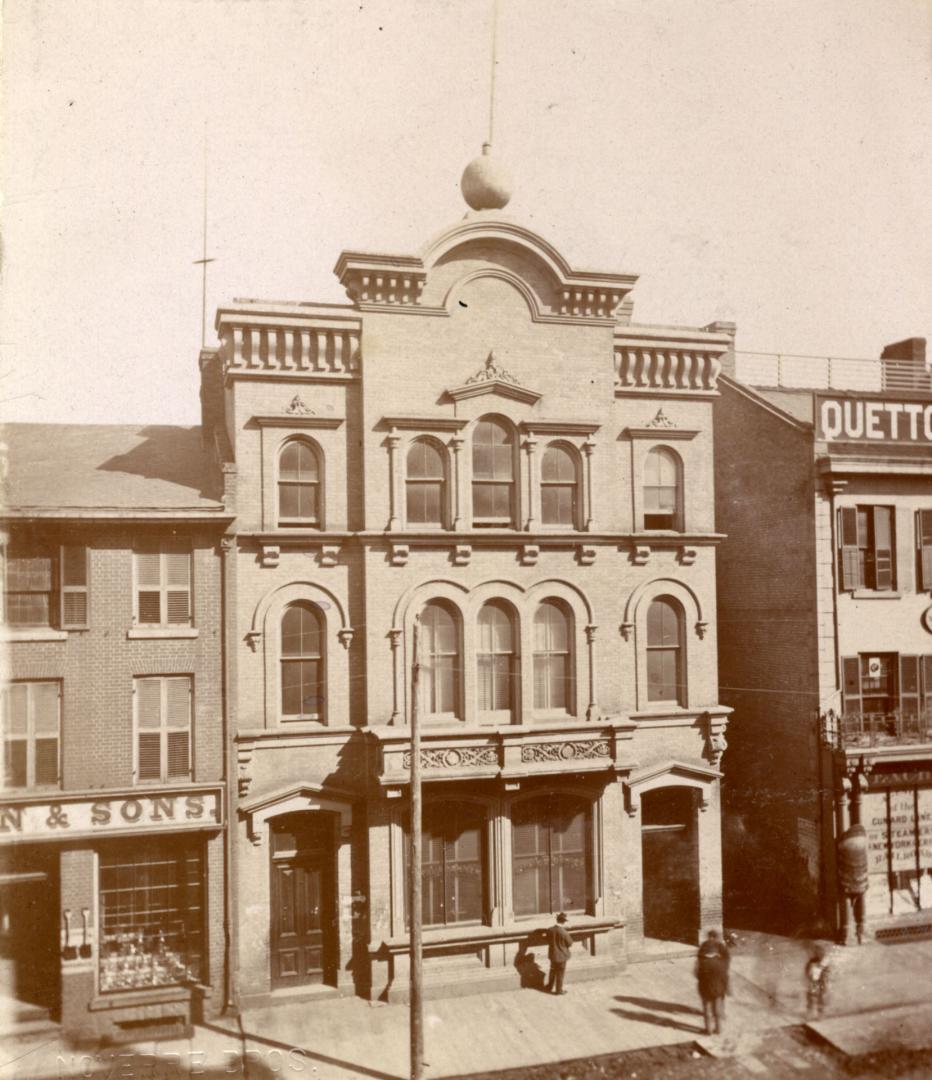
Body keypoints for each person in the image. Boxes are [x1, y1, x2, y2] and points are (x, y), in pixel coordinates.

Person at [695, 929, 730, 1035]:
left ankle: (708, 1030)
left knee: (707, 1009)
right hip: (718, 989)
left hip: (705, 989)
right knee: (716, 1010)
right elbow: (725, 977)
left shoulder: (703, 964)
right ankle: (719, 1030)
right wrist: (725, 988)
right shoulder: (720, 964)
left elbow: (698, 976)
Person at [546, 912, 573, 995]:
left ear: (557, 920)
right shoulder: (564, 932)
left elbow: (547, 940)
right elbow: (570, 943)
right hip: (561, 956)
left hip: (553, 955)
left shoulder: (550, 930)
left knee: (552, 970)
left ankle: (549, 986)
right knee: (560, 973)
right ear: (564, 921)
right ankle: (558, 990)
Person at [805, 945, 830, 1018]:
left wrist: (824, 979)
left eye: (820, 952)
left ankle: (820, 1013)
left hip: (821, 981)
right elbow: (807, 969)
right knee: (810, 995)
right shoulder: (812, 961)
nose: (818, 954)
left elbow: (827, 972)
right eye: (817, 952)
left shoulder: (824, 962)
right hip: (813, 980)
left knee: (820, 997)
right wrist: (809, 976)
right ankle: (810, 1011)